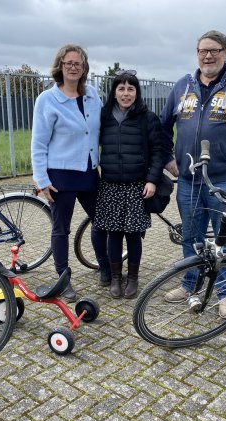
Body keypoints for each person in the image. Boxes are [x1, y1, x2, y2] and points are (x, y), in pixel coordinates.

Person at [160, 30, 226, 318]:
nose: (208, 56)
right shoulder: (183, 85)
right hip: (188, 180)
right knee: (191, 237)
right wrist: (168, 158)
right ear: (197, 54)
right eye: (202, 51)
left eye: (214, 50)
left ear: (225, 51)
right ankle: (190, 284)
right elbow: (161, 127)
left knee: (225, 239)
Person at [31, 44, 110, 302]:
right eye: (69, 63)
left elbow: (101, 130)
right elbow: (38, 143)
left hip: (89, 172)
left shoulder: (93, 96)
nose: (73, 67)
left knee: (102, 220)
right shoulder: (47, 100)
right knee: (61, 229)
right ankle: (63, 281)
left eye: (78, 63)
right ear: (60, 67)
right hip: (60, 177)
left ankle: (105, 268)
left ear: (84, 67)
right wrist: (42, 180)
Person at [95, 70, 166, 299]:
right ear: (114, 92)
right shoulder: (103, 116)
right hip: (110, 185)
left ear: (137, 92)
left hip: (138, 186)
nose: (126, 93)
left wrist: (152, 180)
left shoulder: (148, 118)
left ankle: (133, 278)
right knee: (113, 234)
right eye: (121, 88)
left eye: (131, 89)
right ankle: (116, 277)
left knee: (134, 235)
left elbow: (158, 151)